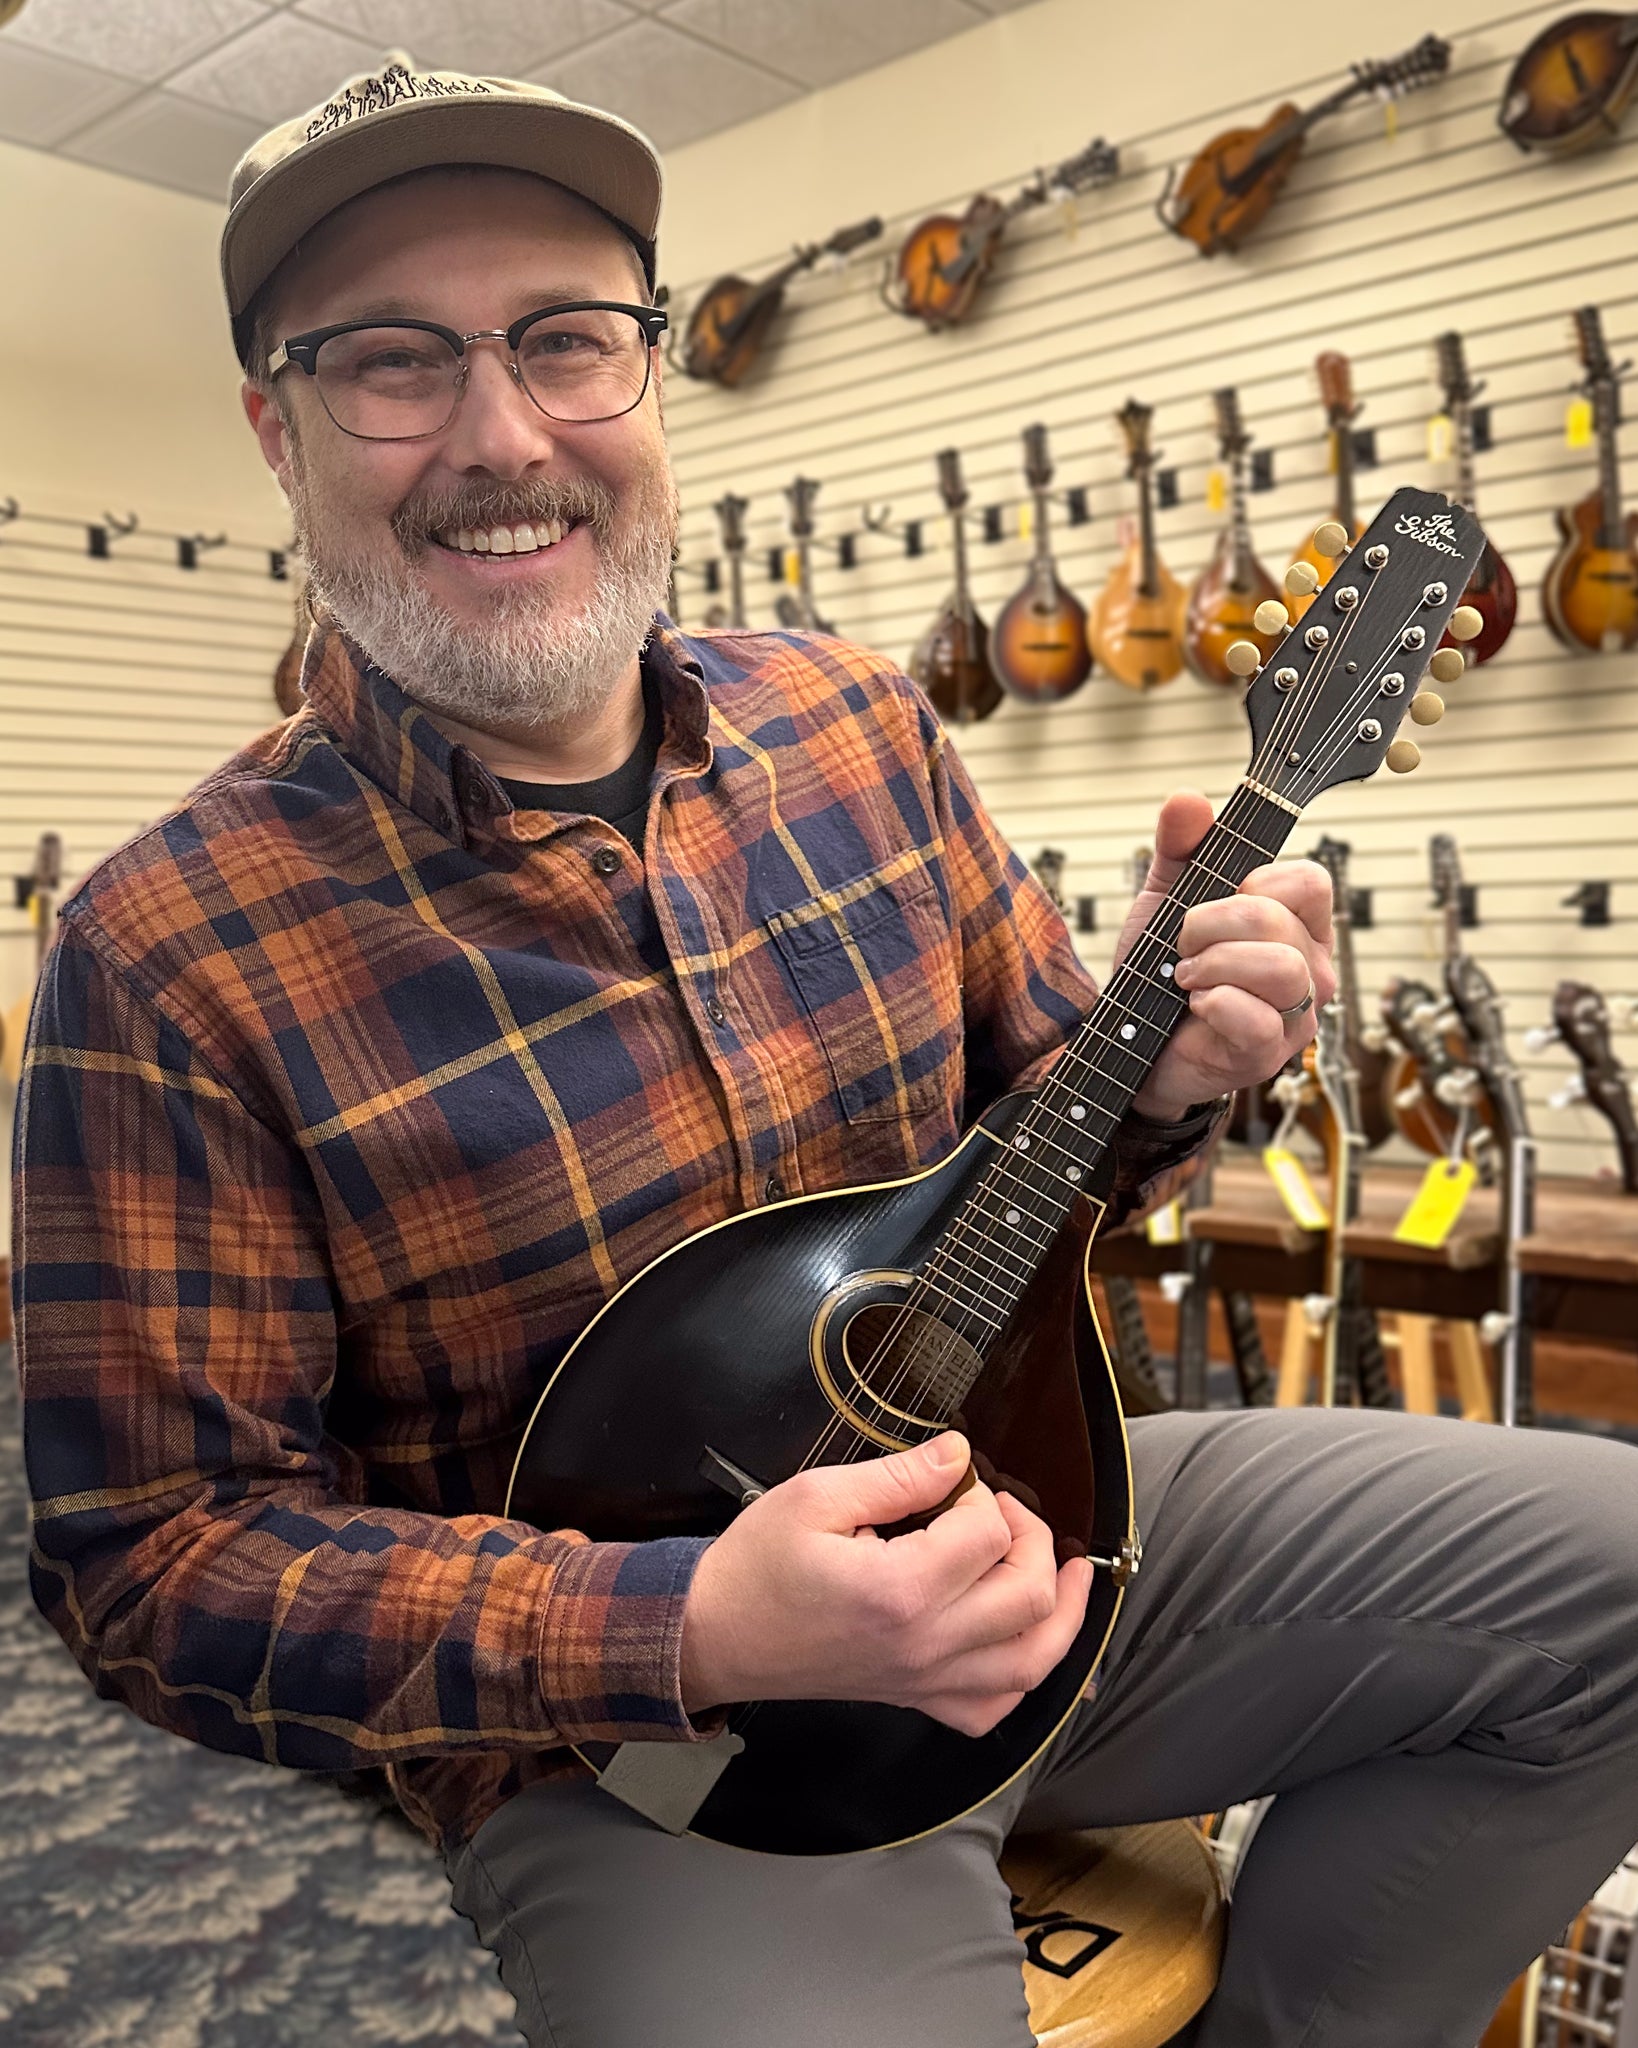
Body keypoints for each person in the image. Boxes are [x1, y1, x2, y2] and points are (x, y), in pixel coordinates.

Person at [12, 62, 1637, 2048]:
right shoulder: (169, 949)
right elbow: (152, 1563)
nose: (503, 434)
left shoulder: (861, 726)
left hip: (1042, 1532)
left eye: (565, 341)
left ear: (648, 376)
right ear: (278, 431)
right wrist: (680, 1622)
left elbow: (1046, 1152)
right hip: (638, 1743)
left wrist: (1179, 1057)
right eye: (393, 363)